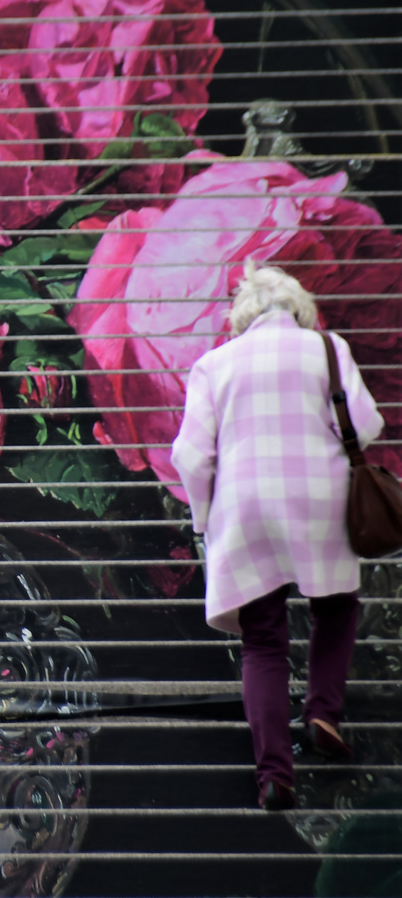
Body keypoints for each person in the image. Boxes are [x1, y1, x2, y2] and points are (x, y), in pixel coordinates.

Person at [172, 263, 384, 811]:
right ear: (299, 309)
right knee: (335, 607)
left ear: (242, 316)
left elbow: (190, 455)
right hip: (321, 498)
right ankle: (322, 714)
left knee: (262, 638)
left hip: (246, 509)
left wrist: (203, 517)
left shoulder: (214, 364)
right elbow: (367, 424)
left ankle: (274, 775)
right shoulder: (328, 348)